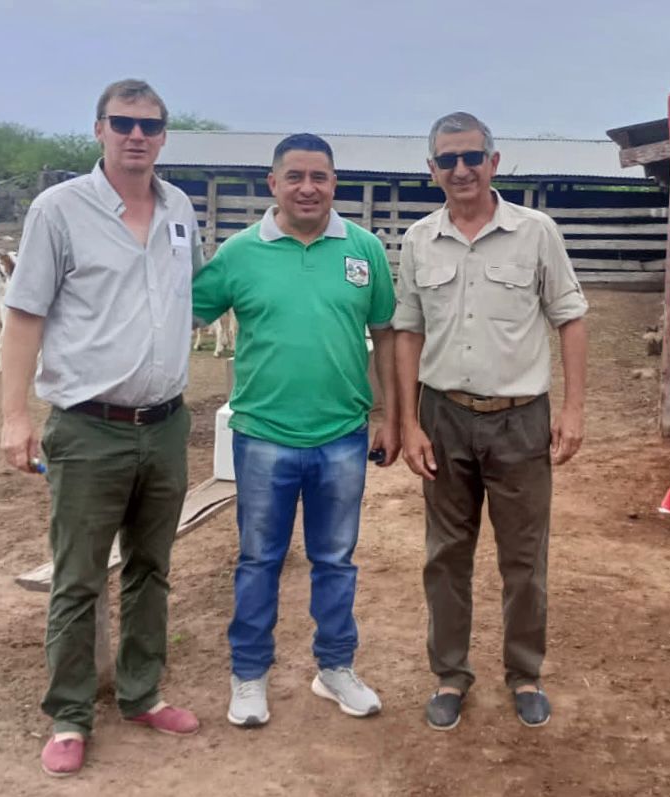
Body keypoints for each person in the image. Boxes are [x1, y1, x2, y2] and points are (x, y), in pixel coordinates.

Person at [0, 79, 201, 778]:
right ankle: (70, 712)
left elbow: (185, 302)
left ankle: (142, 691)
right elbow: (24, 316)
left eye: (149, 124)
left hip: (166, 423)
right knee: (79, 577)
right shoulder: (59, 211)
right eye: (123, 123)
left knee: (151, 567)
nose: (136, 135)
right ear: (98, 129)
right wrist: (15, 414)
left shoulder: (180, 209)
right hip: (89, 428)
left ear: (164, 135)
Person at [192, 133, 398, 728]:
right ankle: (249, 675)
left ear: (335, 183)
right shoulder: (238, 254)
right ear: (273, 184)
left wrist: (386, 413)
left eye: (321, 177)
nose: (308, 188)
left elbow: (385, 333)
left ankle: (334, 668)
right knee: (259, 559)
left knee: (336, 558)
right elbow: (183, 312)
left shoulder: (364, 251)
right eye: (295, 176)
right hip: (263, 437)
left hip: (342, 435)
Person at [393, 112, 588, 731]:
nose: (461, 169)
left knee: (523, 556)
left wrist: (575, 409)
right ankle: (450, 675)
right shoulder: (419, 240)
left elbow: (570, 317)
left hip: (520, 418)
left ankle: (524, 671)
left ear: (494, 162)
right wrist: (408, 424)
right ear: (431, 171)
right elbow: (406, 331)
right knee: (445, 554)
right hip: (443, 417)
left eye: (472, 156)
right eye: (447, 160)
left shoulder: (536, 232)